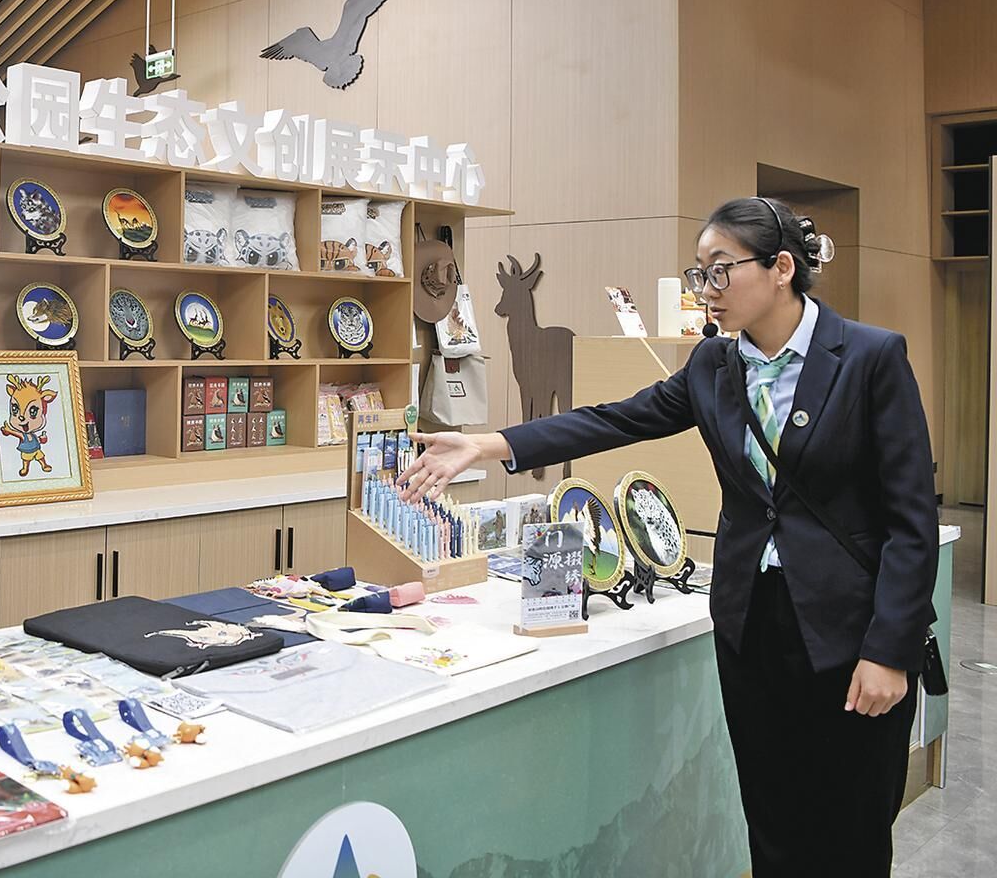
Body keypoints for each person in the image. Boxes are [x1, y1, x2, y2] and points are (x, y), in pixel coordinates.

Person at [398, 197, 937, 877]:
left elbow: (911, 520)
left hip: (849, 631)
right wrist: (488, 444)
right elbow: (616, 419)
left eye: (721, 270)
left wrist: (888, 650)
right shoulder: (714, 366)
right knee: (773, 819)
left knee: (851, 827)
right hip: (753, 623)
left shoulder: (869, 357)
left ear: (780, 268)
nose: (707, 289)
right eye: (699, 273)